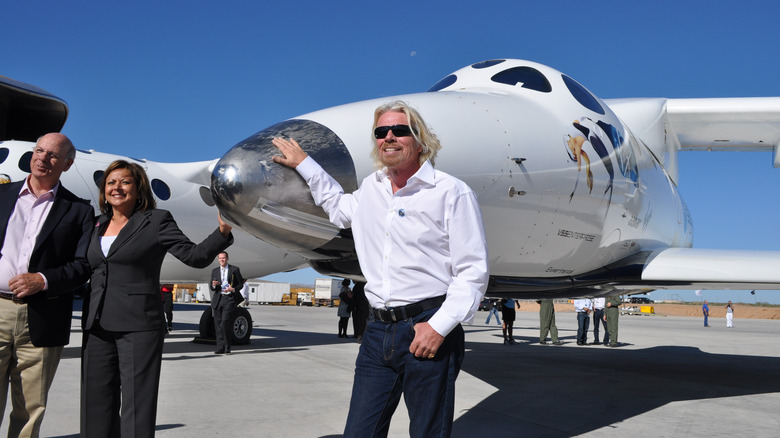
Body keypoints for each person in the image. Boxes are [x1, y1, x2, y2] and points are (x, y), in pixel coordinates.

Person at [271, 100, 489, 437]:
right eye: (381, 132)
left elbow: (472, 271)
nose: (389, 137)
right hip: (377, 332)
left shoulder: (450, 192)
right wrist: (306, 164)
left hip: (427, 327)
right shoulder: (371, 189)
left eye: (399, 130)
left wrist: (439, 327)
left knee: (428, 432)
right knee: (361, 431)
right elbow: (337, 207)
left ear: (419, 139)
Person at [81, 160, 233, 437]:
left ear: (138, 190)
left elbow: (194, 256)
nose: (117, 187)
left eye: (125, 182)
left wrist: (222, 232)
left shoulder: (156, 221)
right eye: (111, 182)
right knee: (95, 403)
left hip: (138, 325)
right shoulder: (95, 225)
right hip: (96, 324)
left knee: (137, 408)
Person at [0, 133, 92, 437]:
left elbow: (82, 266)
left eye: (53, 155)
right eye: (39, 151)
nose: (43, 158)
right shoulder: (1, 196)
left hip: (43, 316)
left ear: (67, 164)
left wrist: (42, 279)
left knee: (30, 407)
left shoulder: (78, 210)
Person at [210, 251, 245, 355]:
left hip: (229, 299)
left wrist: (233, 289)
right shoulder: (215, 271)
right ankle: (220, 347)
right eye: (220, 258)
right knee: (218, 324)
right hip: (218, 299)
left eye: (223, 258)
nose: (222, 260)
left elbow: (240, 285)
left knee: (225, 322)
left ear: (227, 258)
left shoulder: (234, 269)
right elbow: (211, 287)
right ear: (218, 259)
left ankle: (227, 346)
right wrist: (214, 285)